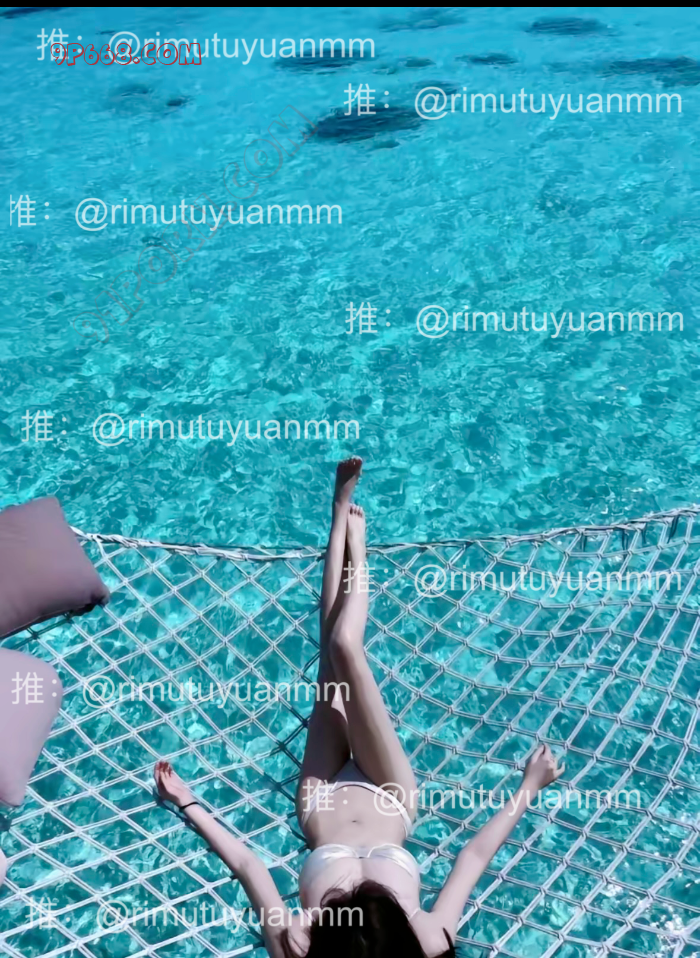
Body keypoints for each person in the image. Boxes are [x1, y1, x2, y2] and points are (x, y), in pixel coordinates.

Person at [154, 457, 565, 958]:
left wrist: (187, 801)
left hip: (321, 799)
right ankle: (357, 552)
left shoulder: (296, 948)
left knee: (331, 657)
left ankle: (339, 518)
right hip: (391, 794)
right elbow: (474, 858)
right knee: (344, 649)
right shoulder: (428, 942)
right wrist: (529, 787)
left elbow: (248, 867)